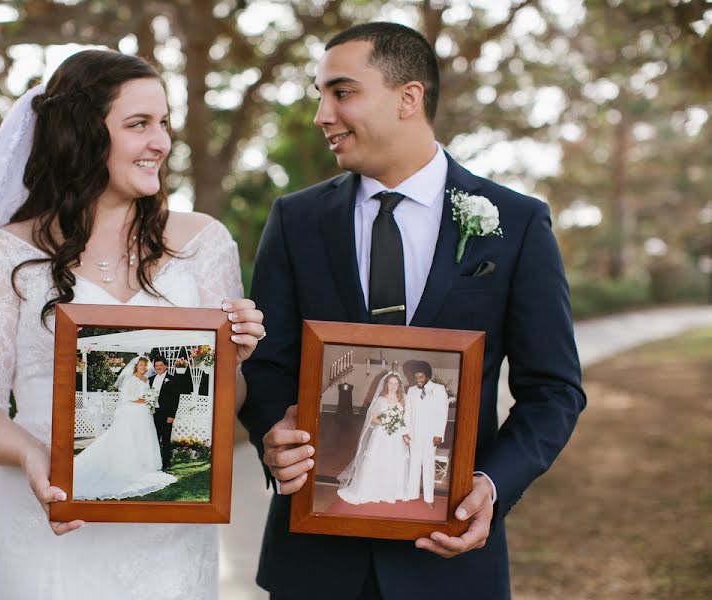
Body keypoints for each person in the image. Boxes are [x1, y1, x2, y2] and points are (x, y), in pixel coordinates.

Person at [0, 50, 265, 598]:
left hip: (172, 540)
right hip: (48, 529)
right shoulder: (0, 257)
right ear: (81, 134)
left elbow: (226, 403)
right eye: (138, 124)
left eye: (164, 123)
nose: (162, 142)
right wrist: (32, 454)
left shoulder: (204, 243)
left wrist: (233, 361)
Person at [238, 22, 585, 599]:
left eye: (342, 92)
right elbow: (266, 365)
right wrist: (273, 428)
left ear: (408, 97)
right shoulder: (295, 220)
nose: (323, 114)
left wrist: (494, 485)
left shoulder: (516, 223)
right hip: (314, 563)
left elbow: (554, 389)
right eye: (319, 95)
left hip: (449, 564)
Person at [73, 356, 177, 499]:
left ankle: (148, 463)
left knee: (145, 438)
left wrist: (149, 401)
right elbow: (129, 397)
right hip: (135, 412)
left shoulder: (148, 380)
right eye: (141, 365)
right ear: (136, 366)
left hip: (146, 414)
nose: (143, 368)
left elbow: (161, 396)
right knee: (131, 438)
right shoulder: (131, 379)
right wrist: (146, 400)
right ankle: (132, 463)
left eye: (145, 366)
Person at [336, 372, 410, 505]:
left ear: (399, 385)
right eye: (390, 383)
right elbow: (373, 418)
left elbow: (406, 418)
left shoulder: (403, 399)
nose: (393, 386)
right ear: (386, 384)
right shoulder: (381, 400)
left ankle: (394, 491)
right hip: (381, 435)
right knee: (378, 460)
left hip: (396, 436)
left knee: (394, 461)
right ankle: (374, 490)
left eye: (395, 383)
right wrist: (387, 421)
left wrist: (402, 430)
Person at [402, 363, 449, 507]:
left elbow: (443, 412)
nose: (418, 380)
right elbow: (407, 412)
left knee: (428, 465)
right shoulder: (411, 391)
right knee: (414, 464)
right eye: (416, 377)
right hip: (414, 434)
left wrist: (439, 434)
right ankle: (412, 495)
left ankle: (429, 499)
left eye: (421, 376)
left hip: (431, 435)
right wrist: (405, 431)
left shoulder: (439, 389)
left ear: (427, 375)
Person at [148, 356, 187, 471]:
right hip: (152, 414)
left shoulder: (172, 379)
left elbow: (175, 399)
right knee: (153, 440)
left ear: (166, 366)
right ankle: (154, 463)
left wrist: (171, 415)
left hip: (166, 415)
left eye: (161, 365)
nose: (158, 367)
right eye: (156, 366)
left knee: (165, 440)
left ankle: (166, 464)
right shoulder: (150, 379)